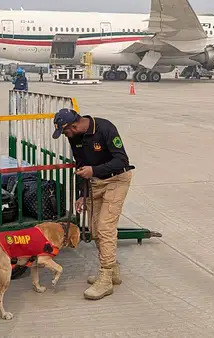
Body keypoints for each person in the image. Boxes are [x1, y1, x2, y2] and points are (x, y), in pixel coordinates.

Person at [52, 108, 134, 300]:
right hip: (94, 182)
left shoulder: (105, 128)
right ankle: (112, 270)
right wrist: (82, 194)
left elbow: (122, 160)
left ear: (73, 125)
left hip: (116, 180)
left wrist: (94, 169)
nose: (65, 136)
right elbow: (80, 164)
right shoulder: (74, 137)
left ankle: (105, 278)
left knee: (105, 228)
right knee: (95, 230)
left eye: (65, 132)